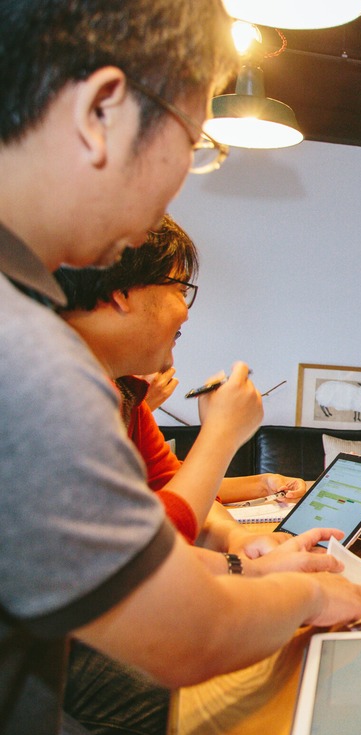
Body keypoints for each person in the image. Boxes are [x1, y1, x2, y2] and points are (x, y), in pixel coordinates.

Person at [0, 3, 361, 735]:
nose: (187, 173)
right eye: (195, 139)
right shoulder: (32, 360)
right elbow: (189, 636)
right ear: (102, 112)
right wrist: (315, 592)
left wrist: (248, 564)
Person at [56, 214, 312, 561]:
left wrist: (235, 538)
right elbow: (131, 552)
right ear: (121, 295)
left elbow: (173, 490)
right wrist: (221, 434)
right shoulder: (55, 393)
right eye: (179, 290)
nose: (186, 313)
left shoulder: (127, 395)